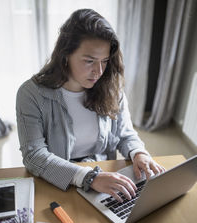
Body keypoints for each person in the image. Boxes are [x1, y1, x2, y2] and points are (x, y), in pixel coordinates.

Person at [16, 9, 165, 202]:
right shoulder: (31, 93)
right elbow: (34, 156)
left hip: (104, 180)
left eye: (104, 61)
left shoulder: (110, 87)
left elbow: (125, 134)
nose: (99, 71)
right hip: (57, 182)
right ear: (65, 54)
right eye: (89, 61)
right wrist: (89, 178)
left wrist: (139, 153)